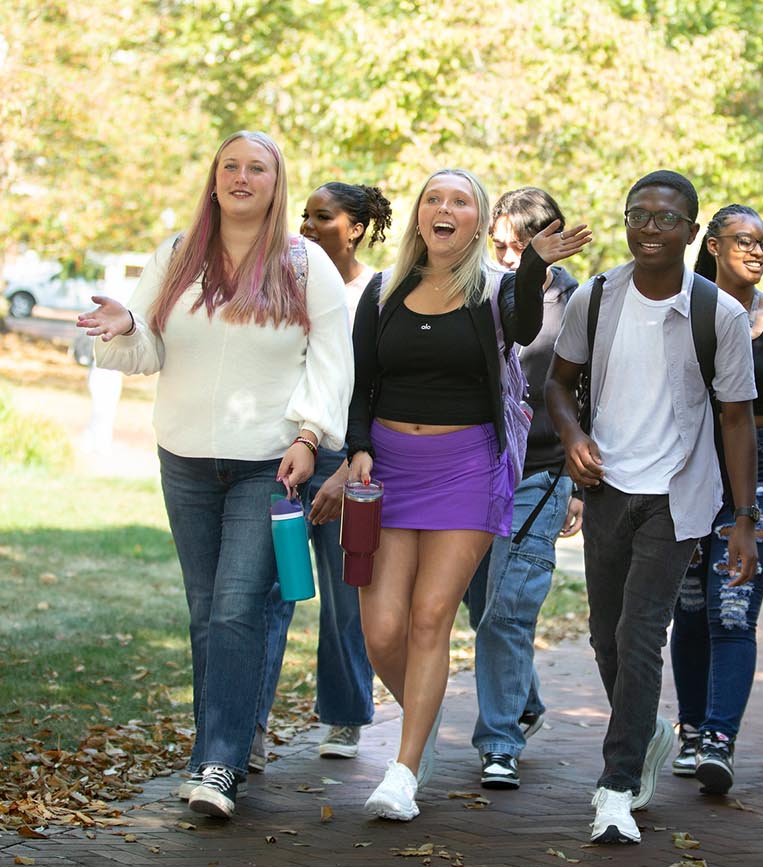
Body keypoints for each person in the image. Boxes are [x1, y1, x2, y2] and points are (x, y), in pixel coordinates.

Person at [78, 131, 354, 819]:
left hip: (269, 460)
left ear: (275, 181)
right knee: (206, 612)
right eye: (229, 165)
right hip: (187, 460)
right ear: (213, 179)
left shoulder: (304, 262)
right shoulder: (177, 255)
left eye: (255, 167)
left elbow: (332, 358)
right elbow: (147, 349)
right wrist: (119, 327)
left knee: (237, 606)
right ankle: (218, 749)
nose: (240, 176)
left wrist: (312, 434)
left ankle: (220, 763)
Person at [346, 168, 589, 821]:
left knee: (431, 616)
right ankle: (421, 720)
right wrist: (358, 447)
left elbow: (528, 321)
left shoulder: (497, 292)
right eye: (434, 199)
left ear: (478, 222)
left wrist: (535, 265)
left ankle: (405, 767)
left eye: (460, 201)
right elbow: (361, 382)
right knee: (383, 629)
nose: (445, 208)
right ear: (420, 217)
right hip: (388, 472)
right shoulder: (382, 293)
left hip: (467, 468)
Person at [544, 170, 758, 845]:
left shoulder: (717, 314)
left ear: (693, 233)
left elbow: (736, 420)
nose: (649, 228)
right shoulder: (597, 297)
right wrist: (574, 436)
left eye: (666, 219)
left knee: (640, 637)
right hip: (608, 488)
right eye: (638, 215)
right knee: (604, 638)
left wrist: (745, 520)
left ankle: (616, 788)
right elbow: (558, 382)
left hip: (677, 496)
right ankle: (650, 734)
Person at [251, 182, 395, 771]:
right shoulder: (276, 280)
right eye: (304, 216)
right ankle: (249, 726)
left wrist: (356, 458)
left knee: (345, 596)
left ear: (355, 226)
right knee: (268, 593)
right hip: (279, 454)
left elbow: (377, 386)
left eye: (322, 216)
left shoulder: (379, 292)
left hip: (344, 459)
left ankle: (344, 717)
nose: (306, 226)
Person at [462, 187, 583, 790]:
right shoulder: (476, 290)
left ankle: (500, 742)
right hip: (470, 470)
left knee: (509, 608)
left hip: (543, 472)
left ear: (550, 238)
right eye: (499, 244)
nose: (507, 256)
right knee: (479, 601)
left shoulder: (581, 302)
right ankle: (523, 700)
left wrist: (579, 484)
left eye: (520, 245)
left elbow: (588, 393)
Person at [667, 204, 763, 795]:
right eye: (745, 240)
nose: (759, 251)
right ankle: (690, 729)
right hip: (691, 466)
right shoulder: (684, 309)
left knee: (732, 607)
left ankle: (719, 738)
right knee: (689, 607)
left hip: (759, 468)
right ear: (712, 245)